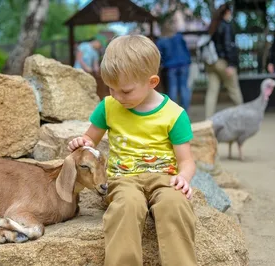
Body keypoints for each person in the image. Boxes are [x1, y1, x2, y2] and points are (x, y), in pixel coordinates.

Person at [68, 35, 197, 266]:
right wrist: (82, 142)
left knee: (175, 205)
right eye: (111, 88)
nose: (117, 96)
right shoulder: (108, 107)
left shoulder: (175, 115)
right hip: (124, 180)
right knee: (126, 206)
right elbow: (91, 139)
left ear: (152, 81)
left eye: (125, 91)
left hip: (165, 179)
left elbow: (186, 161)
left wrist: (183, 178)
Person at [204, 2, 243, 118]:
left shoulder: (213, 26)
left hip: (211, 63)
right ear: (226, 12)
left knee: (212, 92)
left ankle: (208, 119)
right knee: (234, 90)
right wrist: (231, 64)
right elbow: (228, 45)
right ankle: (243, 116)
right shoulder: (226, 25)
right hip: (223, 63)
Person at [157, 20, 192, 112]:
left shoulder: (161, 41)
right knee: (184, 87)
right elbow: (186, 49)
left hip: (171, 66)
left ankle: (173, 112)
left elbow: (160, 56)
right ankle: (185, 111)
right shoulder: (179, 37)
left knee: (173, 88)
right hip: (184, 64)